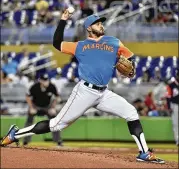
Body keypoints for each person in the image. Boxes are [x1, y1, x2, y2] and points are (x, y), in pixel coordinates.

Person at [1, 9, 164, 164]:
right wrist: (63, 20)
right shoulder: (80, 45)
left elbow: (131, 58)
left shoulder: (114, 42)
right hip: (85, 91)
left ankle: (143, 153)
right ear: (89, 28)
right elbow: (57, 43)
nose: (101, 25)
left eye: (101, 23)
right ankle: (16, 133)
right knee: (57, 124)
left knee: (131, 112)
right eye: (97, 23)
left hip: (104, 93)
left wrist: (132, 67)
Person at [24, 74, 63, 146]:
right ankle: (26, 141)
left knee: (55, 120)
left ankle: (58, 141)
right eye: (44, 80)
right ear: (41, 81)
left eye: (47, 80)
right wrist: (31, 107)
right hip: (36, 106)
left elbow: (57, 97)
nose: (46, 82)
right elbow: (27, 97)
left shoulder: (51, 86)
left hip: (47, 107)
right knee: (29, 119)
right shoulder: (35, 87)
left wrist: (53, 107)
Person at [166, 69, 179, 146]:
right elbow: (168, 97)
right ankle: (177, 140)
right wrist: (169, 107)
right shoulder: (171, 85)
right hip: (175, 105)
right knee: (175, 123)